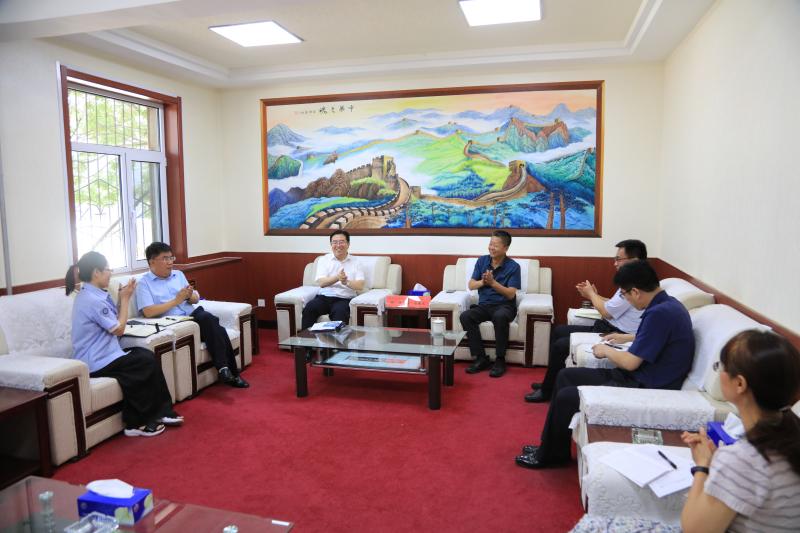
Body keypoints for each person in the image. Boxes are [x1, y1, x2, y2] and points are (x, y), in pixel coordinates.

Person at [516, 260, 695, 469]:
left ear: (635, 292)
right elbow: (654, 338)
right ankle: (554, 449)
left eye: (625, 295)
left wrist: (606, 351)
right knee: (565, 375)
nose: (627, 300)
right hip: (642, 375)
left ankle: (549, 455)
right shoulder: (669, 305)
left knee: (567, 397)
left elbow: (630, 363)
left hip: (645, 384)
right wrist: (626, 337)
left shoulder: (659, 313)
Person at [680, 330, 800, 532]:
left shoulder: (743, 458)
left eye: (721, 367)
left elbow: (694, 529)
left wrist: (703, 465)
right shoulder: (790, 435)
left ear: (739, 384)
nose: (719, 372)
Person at [67, 251, 182, 437]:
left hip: (108, 354)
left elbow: (113, 321)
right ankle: (137, 423)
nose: (110, 273)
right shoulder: (91, 300)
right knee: (142, 363)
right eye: (108, 270)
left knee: (146, 355)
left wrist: (121, 299)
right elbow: (119, 329)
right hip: (95, 360)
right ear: (96, 272)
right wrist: (126, 299)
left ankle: (162, 412)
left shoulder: (94, 294)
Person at [526, 239, 647, 403]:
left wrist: (591, 295)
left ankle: (547, 390)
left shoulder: (636, 284)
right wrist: (594, 295)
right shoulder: (630, 279)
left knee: (561, 345)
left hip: (614, 333)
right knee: (559, 331)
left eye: (619, 259)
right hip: (606, 326)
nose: (615, 263)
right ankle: (550, 382)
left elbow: (607, 312)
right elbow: (612, 304)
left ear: (635, 260)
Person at [135, 242, 249, 388]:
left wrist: (189, 296)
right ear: (152, 262)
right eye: (165, 258)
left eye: (171, 258)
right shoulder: (144, 283)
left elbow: (195, 299)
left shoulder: (178, 275)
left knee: (211, 323)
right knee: (214, 325)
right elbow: (148, 312)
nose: (170, 262)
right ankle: (230, 372)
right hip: (174, 322)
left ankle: (225, 370)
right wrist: (176, 301)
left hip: (193, 314)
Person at [460, 230, 521, 378]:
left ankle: (500, 360)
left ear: (505, 248)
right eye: (490, 244)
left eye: (496, 245)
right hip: (484, 305)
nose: (491, 248)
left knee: (500, 316)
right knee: (466, 316)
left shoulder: (514, 267)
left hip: (504, 306)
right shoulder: (482, 261)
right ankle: (481, 358)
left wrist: (493, 283)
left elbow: (510, 294)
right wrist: (483, 281)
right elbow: (471, 285)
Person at [301, 230, 365, 330]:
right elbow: (321, 283)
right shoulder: (324, 260)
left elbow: (360, 285)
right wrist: (337, 277)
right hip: (324, 297)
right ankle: (307, 339)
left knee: (340, 313)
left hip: (344, 298)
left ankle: (337, 340)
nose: (338, 245)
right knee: (310, 308)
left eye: (341, 242)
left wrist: (346, 282)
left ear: (348, 244)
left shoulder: (356, 261)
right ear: (331, 244)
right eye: (335, 242)